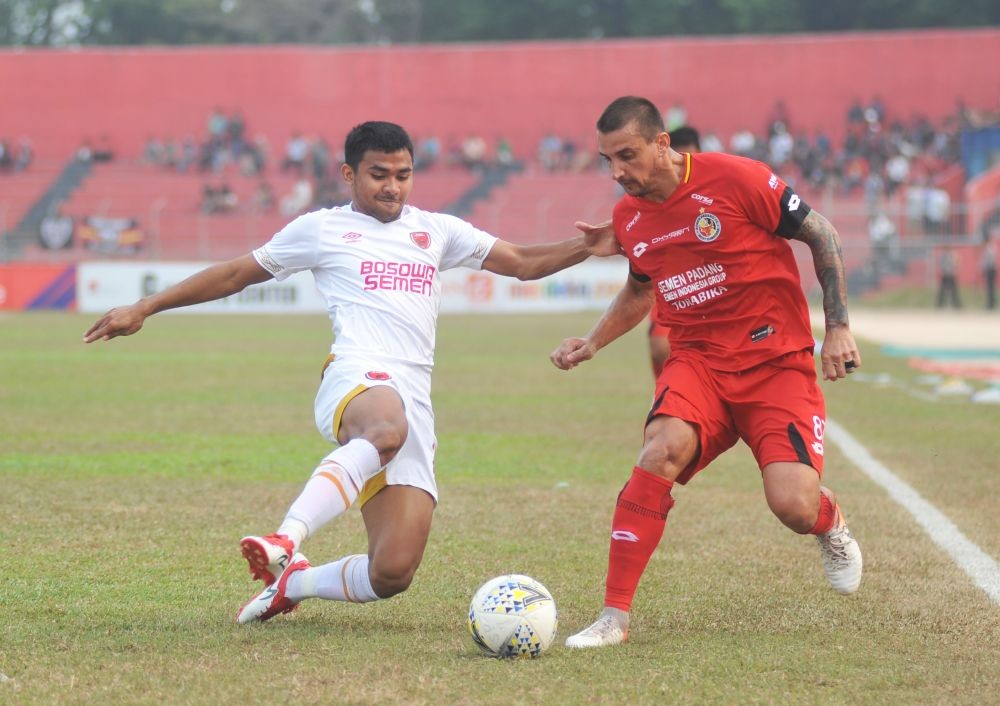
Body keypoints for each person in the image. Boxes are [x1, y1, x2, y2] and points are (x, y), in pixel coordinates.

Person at [83, 121, 618, 625]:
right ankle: (285, 539)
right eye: (379, 175)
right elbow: (232, 274)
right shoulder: (321, 229)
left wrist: (586, 247)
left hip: (413, 395)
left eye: (402, 175)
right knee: (384, 429)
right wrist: (146, 307)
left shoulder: (436, 231)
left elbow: (522, 260)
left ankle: (292, 584)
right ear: (350, 174)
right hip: (357, 373)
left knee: (392, 572)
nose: (392, 187)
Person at [549, 96, 863, 649]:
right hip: (698, 362)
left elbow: (823, 234)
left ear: (662, 144)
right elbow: (640, 290)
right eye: (608, 160)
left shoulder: (739, 179)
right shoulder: (629, 215)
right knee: (659, 450)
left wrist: (837, 326)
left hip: (775, 364)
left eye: (627, 155)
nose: (618, 172)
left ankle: (829, 520)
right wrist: (593, 342)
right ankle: (614, 618)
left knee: (793, 504)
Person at [648, 125, 701, 379]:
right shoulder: (654, 192)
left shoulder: (713, 184)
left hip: (715, 282)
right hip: (672, 283)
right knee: (659, 346)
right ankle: (665, 392)